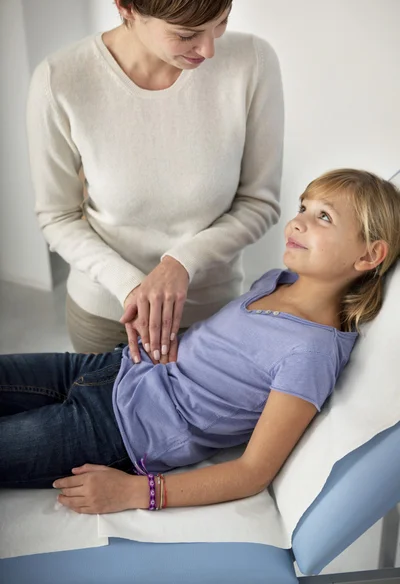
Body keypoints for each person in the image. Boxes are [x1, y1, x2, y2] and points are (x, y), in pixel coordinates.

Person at [1, 169, 399, 515]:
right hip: (112, 369)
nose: (297, 223)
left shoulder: (311, 354)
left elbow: (253, 473)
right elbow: (229, 356)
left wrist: (139, 492)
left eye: (323, 217)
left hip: (118, 432)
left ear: (368, 256)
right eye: (303, 207)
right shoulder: (278, 281)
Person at [26, 0, 284, 363]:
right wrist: (130, 286)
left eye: (221, 21)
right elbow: (57, 216)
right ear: (125, 5)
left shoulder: (253, 61)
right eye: (186, 33)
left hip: (212, 317)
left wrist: (181, 263)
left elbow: (259, 202)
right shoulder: (60, 79)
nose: (209, 48)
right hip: (110, 316)